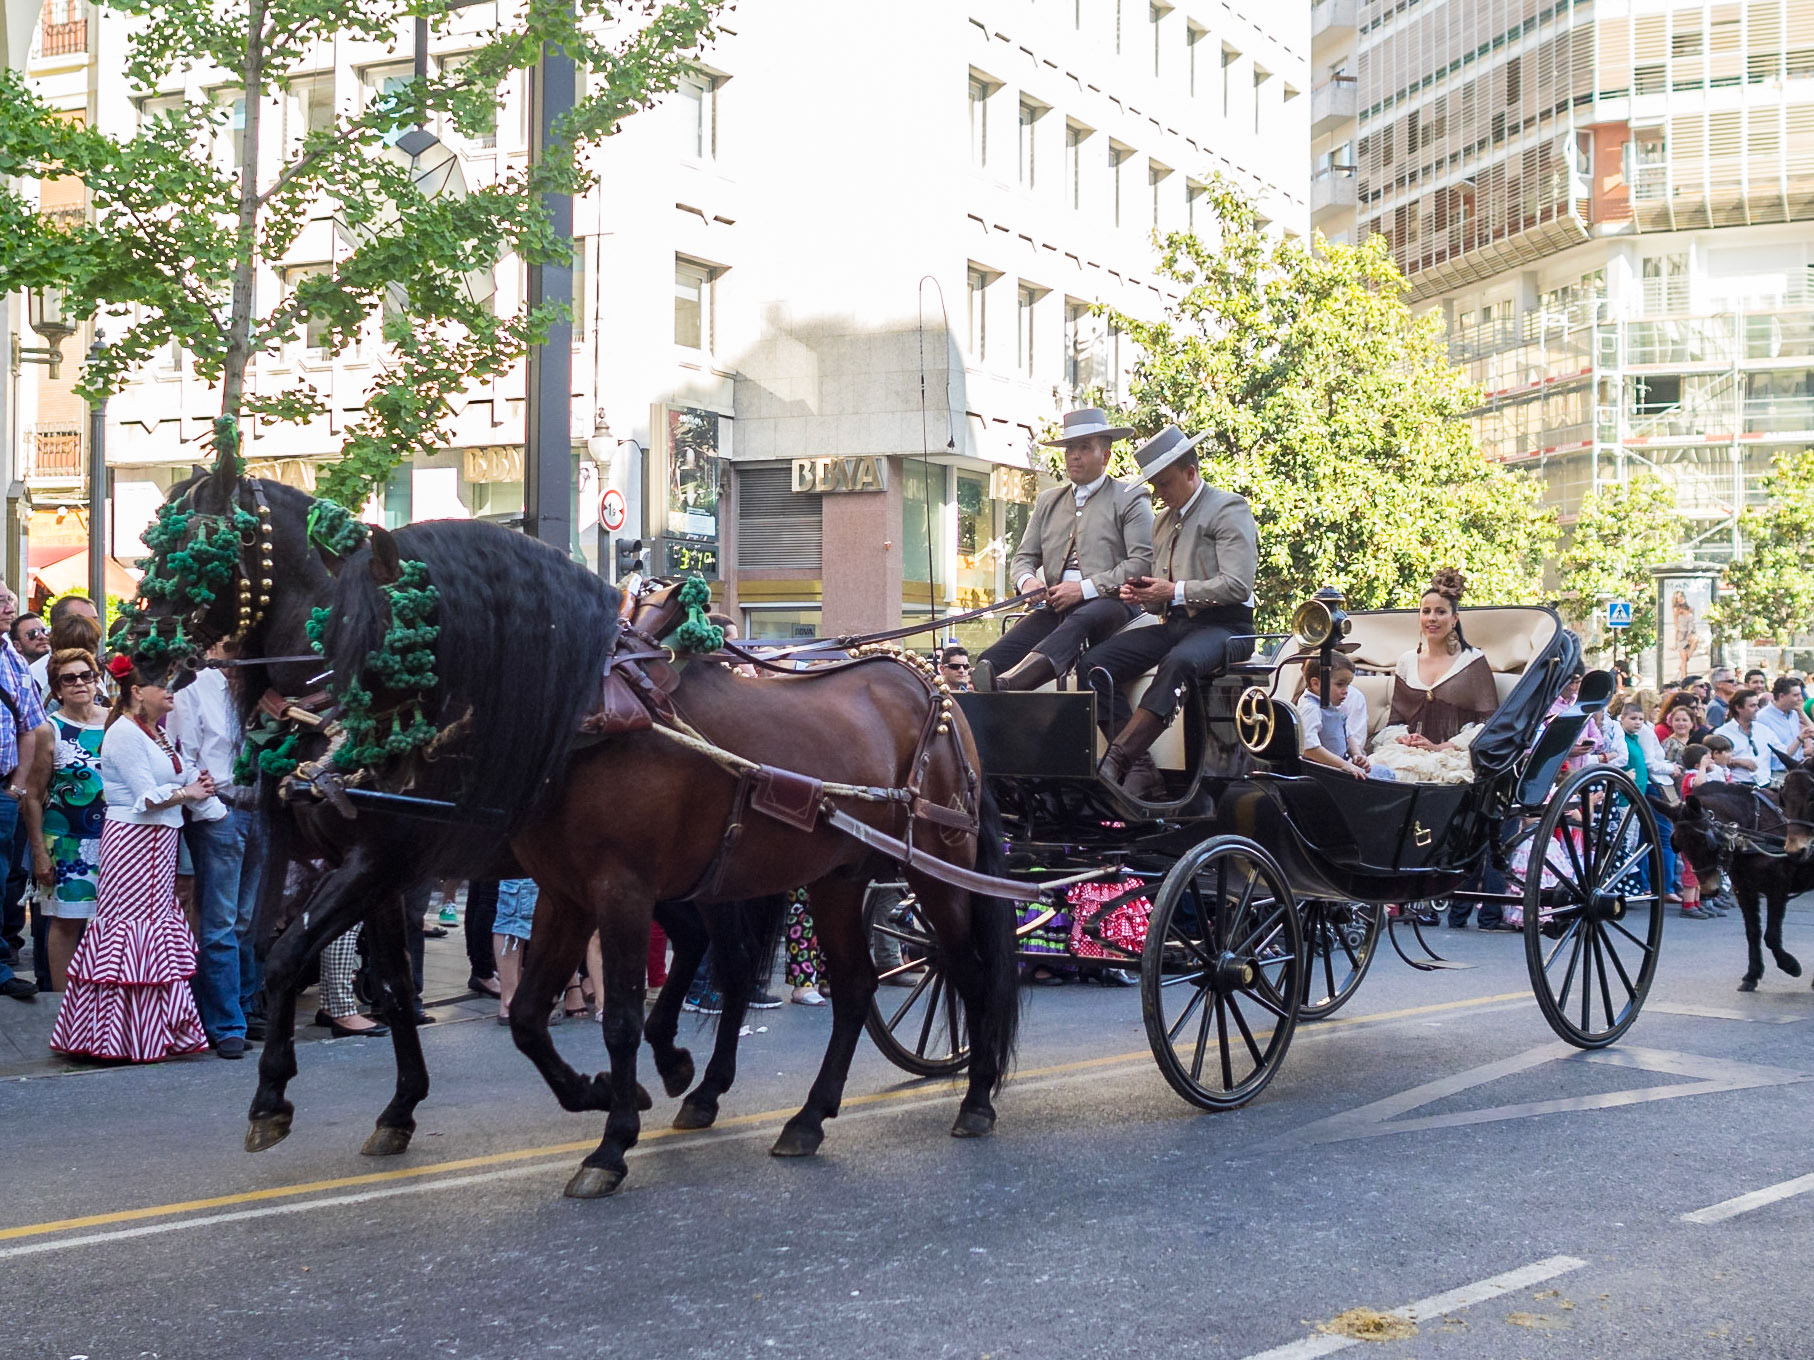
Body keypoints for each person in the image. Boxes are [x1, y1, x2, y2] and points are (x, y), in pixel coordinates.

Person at [48, 656, 216, 1061]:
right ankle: (114, 1037)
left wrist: (199, 788)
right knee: (129, 935)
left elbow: (178, 778)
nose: (172, 692)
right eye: (164, 685)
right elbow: (146, 797)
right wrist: (189, 793)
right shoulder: (124, 733)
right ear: (138, 692)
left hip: (160, 842)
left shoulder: (155, 732)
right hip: (133, 840)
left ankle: (154, 1032)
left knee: (152, 934)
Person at [1084, 424, 1256, 800]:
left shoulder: (1228, 508)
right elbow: (1163, 595)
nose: (1158, 494)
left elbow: (1237, 585)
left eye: (1164, 484)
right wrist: (1142, 595)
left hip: (1228, 628)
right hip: (1177, 624)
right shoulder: (1163, 521)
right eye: (1155, 485)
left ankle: (1117, 759)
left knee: (1178, 661)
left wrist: (1173, 591)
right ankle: (1143, 768)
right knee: (1094, 666)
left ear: (1191, 473)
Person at [973, 407, 1154, 692]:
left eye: (1084, 448)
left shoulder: (1130, 497)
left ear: (1105, 456)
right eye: (1070, 448)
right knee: (992, 659)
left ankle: (1012, 683)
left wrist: (1083, 590)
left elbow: (1142, 563)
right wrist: (1028, 582)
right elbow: (1023, 558)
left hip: (1113, 605)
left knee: (1083, 618)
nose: (1074, 455)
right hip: (1056, 606)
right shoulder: (1048, 501)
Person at [167, 640, 254, 1055]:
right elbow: (183, 757)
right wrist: (213, 811)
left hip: (262, 809)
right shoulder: (194, 689)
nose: (238, 652)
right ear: (215, 648)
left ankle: (246, 1008)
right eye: (232, 644)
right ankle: (225, 1023)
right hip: (223, 811)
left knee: (249, 919)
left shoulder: (262, 686)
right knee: (220, 921)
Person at [36, 649, 106, 989]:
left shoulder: (116, 722)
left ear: (97, 681)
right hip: (66, 843)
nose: (79, 683)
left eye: (86, 676)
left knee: (111, 923)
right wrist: (38, 852)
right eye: (69, 678)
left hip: (117, 841)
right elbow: (33, 796)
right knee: (66, 923)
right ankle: (62, 1005)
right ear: (58, 688)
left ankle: (102, 1002)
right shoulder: (49, 730)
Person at [1378, 568, 1499, 749]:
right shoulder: (1406, 661)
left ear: (1454, 619)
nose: (1432, 618)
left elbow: (1488, 724)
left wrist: (1439, 747)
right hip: (1408, 752)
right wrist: (1404, 739)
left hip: (1453, 754)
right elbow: (1396, 721)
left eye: (1440, 612)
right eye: (1426, 611)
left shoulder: (1472, 660)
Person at [0, 592, 49, 1004]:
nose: (7, 603)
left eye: (8, 597)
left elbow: (30, 727)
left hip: (2, 788)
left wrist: (16, 785)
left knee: (0, 880)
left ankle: (0, 967)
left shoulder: (12, 659)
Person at [1295, 655, 1391, 780]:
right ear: (1316, 684)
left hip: (1338, 769)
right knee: (1385, 774)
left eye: (1348, 685)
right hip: (1322, 775)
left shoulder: (1329, 705)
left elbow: (1347, 734)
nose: (1346, 691)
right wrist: (1344, 765)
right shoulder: (1311, 708)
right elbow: (1309, 748)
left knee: (1384, 771)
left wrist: (1356, 754)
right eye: (1340, 684)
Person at [29, 596, 100, 699]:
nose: (93, 627)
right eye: (85, 621)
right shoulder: (36, 677)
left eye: (95, 620)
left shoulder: (101, 668)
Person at [1753, 676, 1814, 776]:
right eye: (1796, 695)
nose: (1800, 699)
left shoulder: (1794, 714)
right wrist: (1800, 739)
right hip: (1778, 773)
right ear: (1781, 696)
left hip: (1798, 769)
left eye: (1800, 694)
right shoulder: (1762, 718)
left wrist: (1801, 711)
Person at [1713, 688, 1773, 788]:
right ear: (1738, 708)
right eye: (1752, 706)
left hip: (1764, 784)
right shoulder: (1722, 733)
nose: (1757, 709)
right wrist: (1737, 762)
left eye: (1757, 705)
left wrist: (1800, 739)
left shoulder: (1764, 730)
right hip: (1738, 787)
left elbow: (1783, 752)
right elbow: (1714, 761)